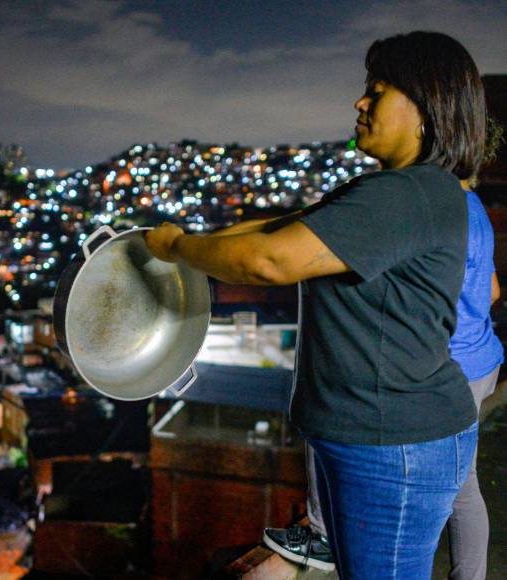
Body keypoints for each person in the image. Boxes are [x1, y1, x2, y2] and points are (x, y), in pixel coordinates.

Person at [144, 31, 487, 579]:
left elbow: (269, 261)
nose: (360, 103)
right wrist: (193, 244)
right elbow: (272, 229)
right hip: (375, 439)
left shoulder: (405, 195)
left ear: (427, 109)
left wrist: (177, 249)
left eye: (378, 92)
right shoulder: (389, 192)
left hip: (394, 446)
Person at [263, 181, 503, 578]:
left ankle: (322, 536)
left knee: (457, 487)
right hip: (481, 358)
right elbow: (490, 290)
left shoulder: (428, 211)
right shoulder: (472, 207)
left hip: (447, 365)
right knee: (464, 485)